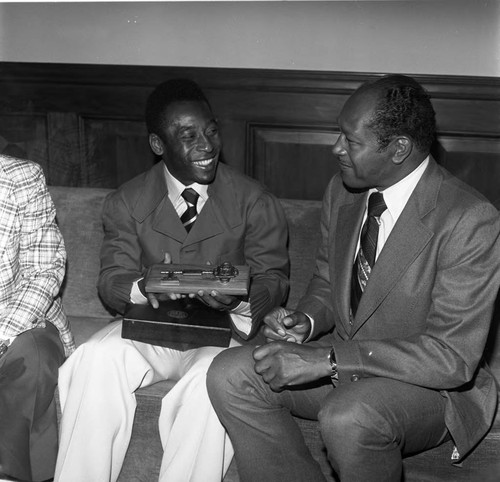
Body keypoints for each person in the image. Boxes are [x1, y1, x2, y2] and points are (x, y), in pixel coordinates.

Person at [207, 74, 500, 482]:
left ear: (399, 149)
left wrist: (326, 360)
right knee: (228, 374)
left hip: (431, 388)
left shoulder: (469, 219)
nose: (336, 148)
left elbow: (450, 358)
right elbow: (328, 281)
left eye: (351, 141)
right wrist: (304, 322)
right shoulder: (343, 192)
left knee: (349, 414)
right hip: (347, 364)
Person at [54, 78, 289, 482]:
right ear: (158, 145)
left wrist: (238, 298)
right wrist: (144, 286)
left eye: (211, 131)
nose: (207, 145)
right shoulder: (127, 200)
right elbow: (111, 279)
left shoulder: (255, 199)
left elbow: (274, 278)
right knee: (92, 359)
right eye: (189, 135)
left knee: (210, 384)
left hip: (225, 334)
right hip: (153, 326)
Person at [0, 155, 75, 482]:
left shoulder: (19, 178)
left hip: (18, 317)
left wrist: (1, 338)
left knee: (35, 359)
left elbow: (44, 272)